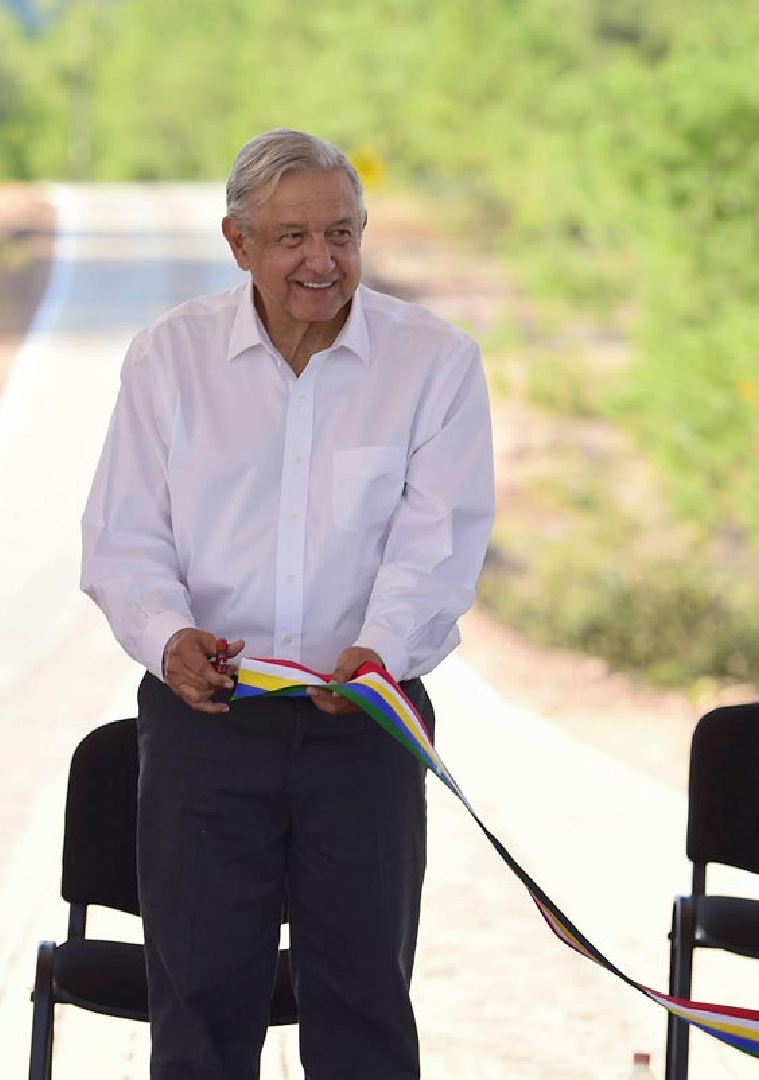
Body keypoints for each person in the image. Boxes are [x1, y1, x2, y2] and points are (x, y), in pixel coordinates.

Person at [80, 128, 494, 1079]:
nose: (323, 261)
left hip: (368, 723)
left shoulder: (433, 361)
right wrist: (166, 637)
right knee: (200, 1008)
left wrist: (381, 650)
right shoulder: (169, 358)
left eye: (342, 234)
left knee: (362, 1006)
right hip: (207, 723)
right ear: (238, 245)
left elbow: (439, 545)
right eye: (292, 238)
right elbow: (122, 536)